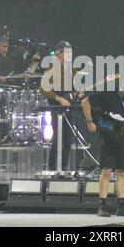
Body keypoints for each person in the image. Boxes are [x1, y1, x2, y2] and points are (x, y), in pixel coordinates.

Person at [82, 87, 124, 217]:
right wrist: (90, 121)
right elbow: (85, 101)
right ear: (123, 86)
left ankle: (121, 206)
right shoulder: (108, 95)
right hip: (107, 137)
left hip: (123, 139)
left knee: (122, 173)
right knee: (106, 171)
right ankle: (102, 206)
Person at [40, 41, 77, 170]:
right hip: (57, 107)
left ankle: (63, 168)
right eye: (67, 52)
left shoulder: (70, 68)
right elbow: (44, 88)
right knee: (58, 138)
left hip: (68, 106)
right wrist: (59, 98)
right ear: (59, 53)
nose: (70, 55)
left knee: (67, 139)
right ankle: (52, 168)